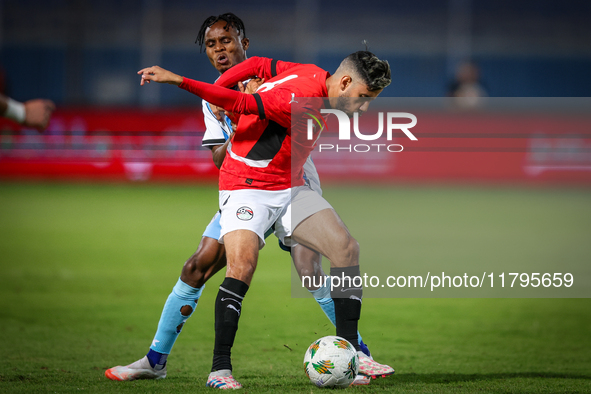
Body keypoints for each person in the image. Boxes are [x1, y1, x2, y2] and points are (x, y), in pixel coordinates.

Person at [105, 13, 379, 386]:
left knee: (317, 263)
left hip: (293, 176)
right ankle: (161, 360)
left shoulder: (287, 80)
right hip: (247, 183)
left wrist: (238, 100)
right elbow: (220, 158)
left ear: (242, 43)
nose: (220, 50)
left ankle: (356, 354)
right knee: (203, 266)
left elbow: (262, 72)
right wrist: (232, 107)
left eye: (227, 41)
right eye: (212, 45)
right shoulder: (215, 98)